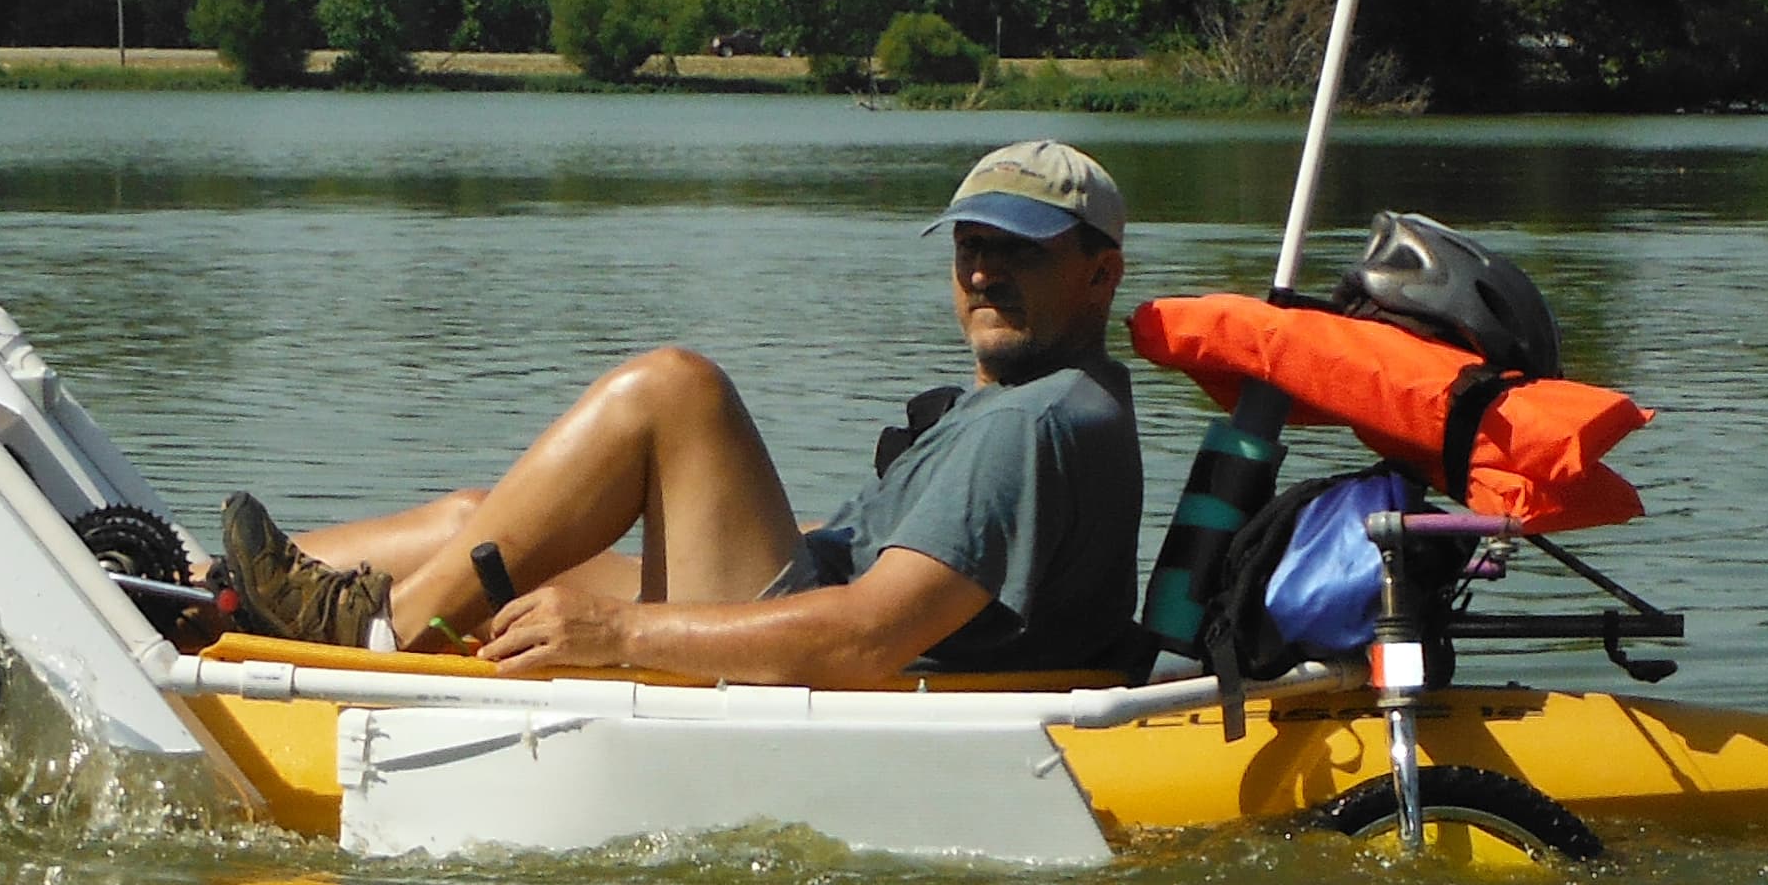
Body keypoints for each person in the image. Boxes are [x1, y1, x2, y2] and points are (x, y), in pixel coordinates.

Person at [218, 138, 1143, 683]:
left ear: (1100, 273)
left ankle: (373, 636)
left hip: (832, 670)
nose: (981, 272)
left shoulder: (1036, 425)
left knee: (676, 389)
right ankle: (216, 588)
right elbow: (902, 555)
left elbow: (868, 635)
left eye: (1016, 254)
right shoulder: (1044, 405)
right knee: (481, 527)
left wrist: (616, 634)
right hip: (807, 594)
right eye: (969, 247)